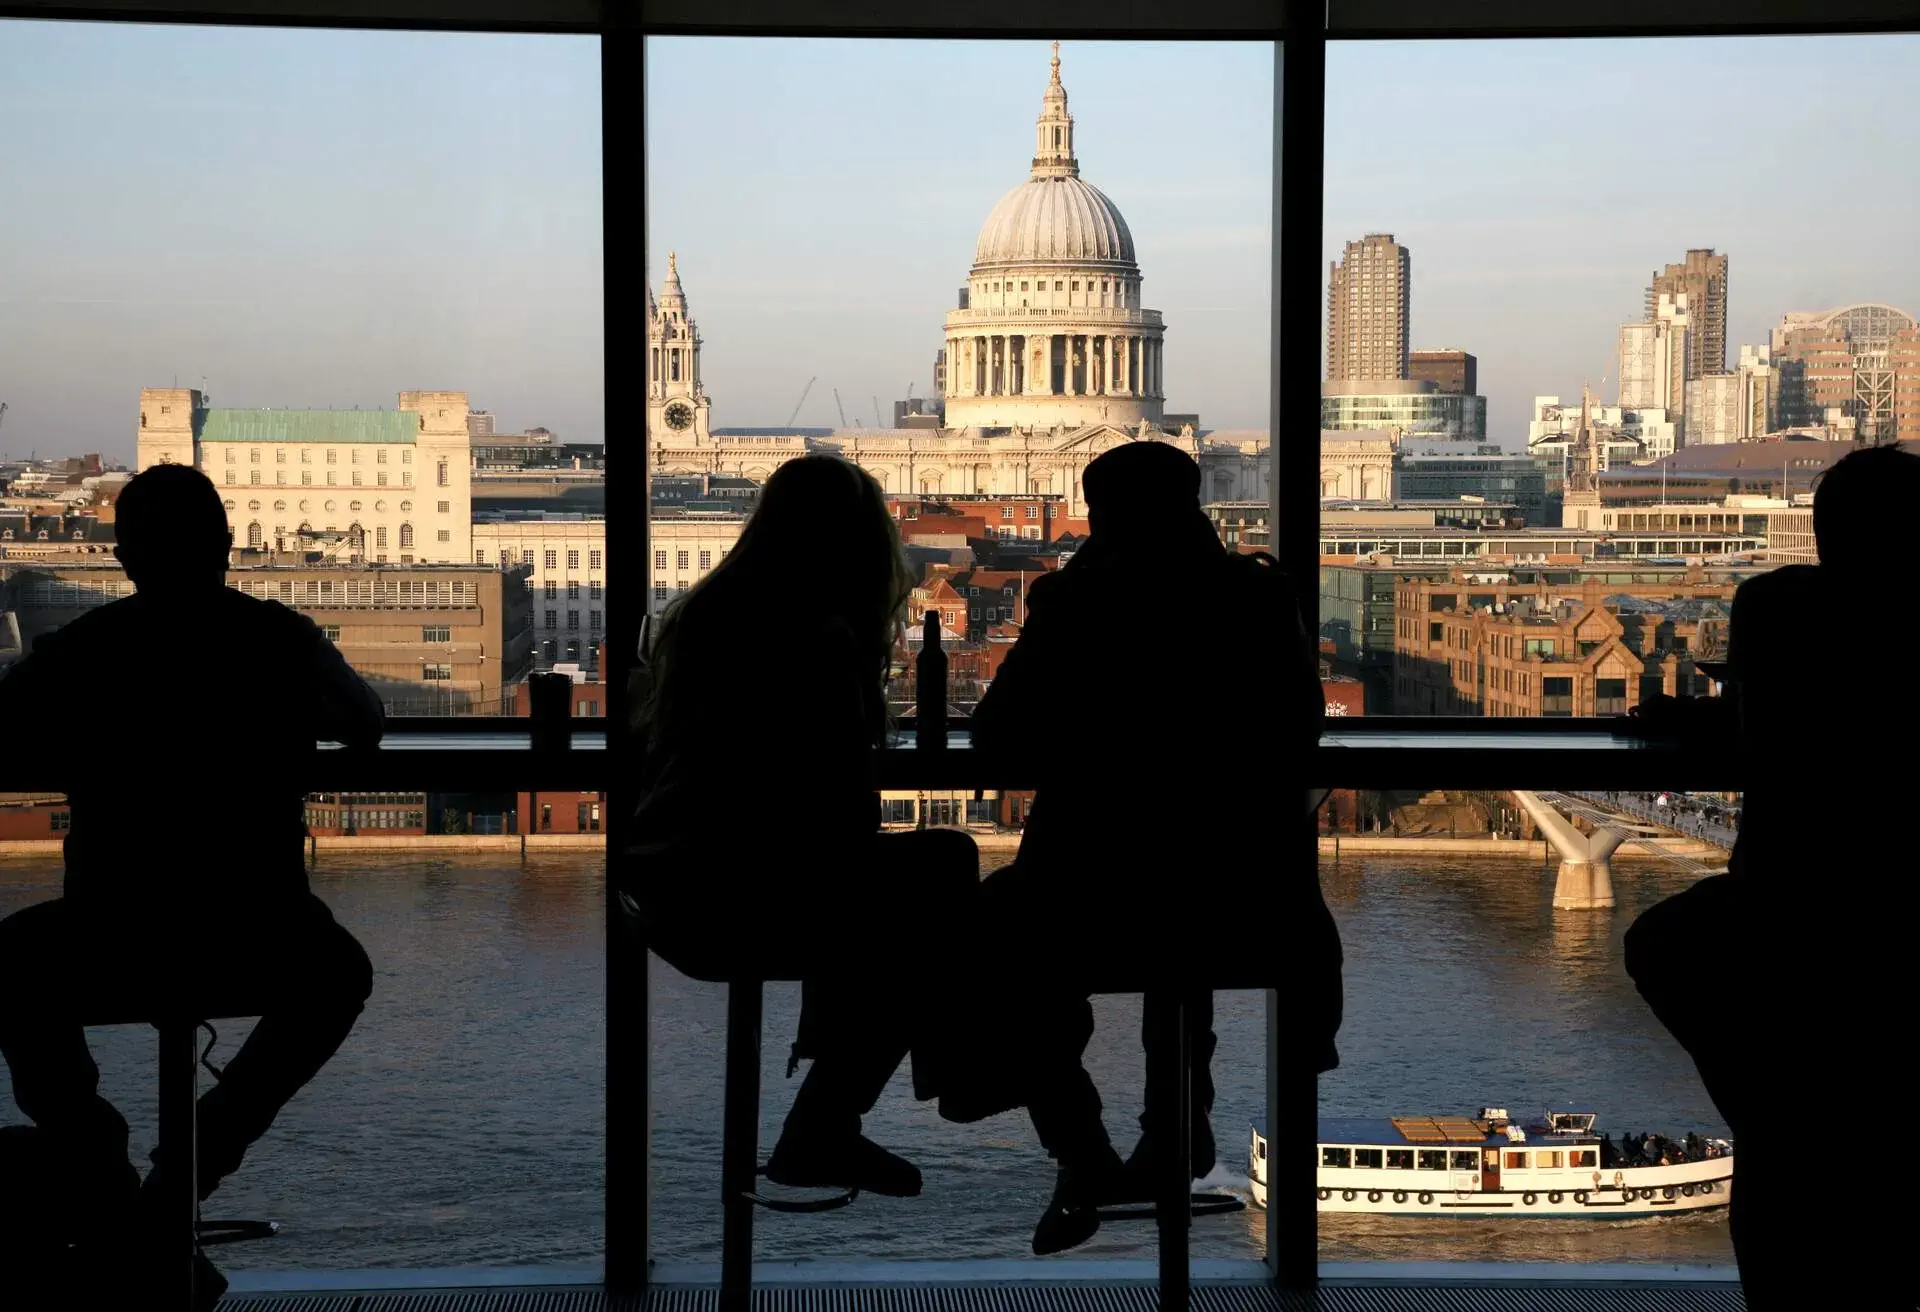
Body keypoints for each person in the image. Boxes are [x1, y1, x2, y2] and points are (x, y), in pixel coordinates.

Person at [624, 456, 1067, 1197]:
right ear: (856, 547)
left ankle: (870, 1106)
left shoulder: (709, 614)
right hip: (734, 895)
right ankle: (882, 1102)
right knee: (944, 867)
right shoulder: (817, 638)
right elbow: (837, 815)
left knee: (913, 897)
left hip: (668, 884)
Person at [0, 462, 382, 1303]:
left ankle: (106, 1181)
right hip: (257, 927)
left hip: (114, 929)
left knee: (9, 964)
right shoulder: (282, 638)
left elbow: (5, 720)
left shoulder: (85, 648)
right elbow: (365, 725)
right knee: (340, 975)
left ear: (126, 558)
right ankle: (187, 1174)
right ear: (229, 549)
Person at [970, 440, 1339, 1254]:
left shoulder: (1076, 605)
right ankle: (1177, 1126)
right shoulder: (1259, 596)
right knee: (1182, 925)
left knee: (1000, 934)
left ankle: (1081, 1151)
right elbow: (1300, 727)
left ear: (1104, 520)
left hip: (1093, 888)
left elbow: (995, 736)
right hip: (1249, 899)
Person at [1626, 445, 1920, 1311]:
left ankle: (1767, 1121)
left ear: (1824, 532)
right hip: (1889, 918)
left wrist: (1683, 721)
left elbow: (1756, 732)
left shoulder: (1781, 604)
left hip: (1789, 903)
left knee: (1661, 944)